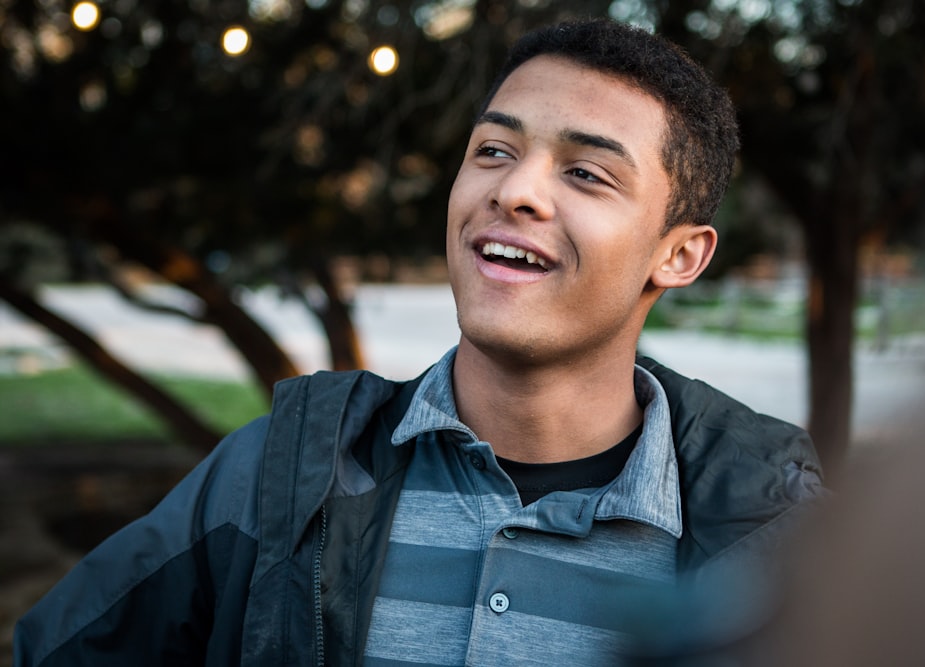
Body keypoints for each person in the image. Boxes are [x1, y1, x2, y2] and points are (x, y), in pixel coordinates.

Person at [14, 18, 824, 666]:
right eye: (493, 151)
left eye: (586, 173)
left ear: (677, 254)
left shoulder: (774, 536)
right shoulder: (281, 481)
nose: (514, 190)